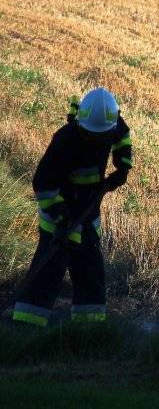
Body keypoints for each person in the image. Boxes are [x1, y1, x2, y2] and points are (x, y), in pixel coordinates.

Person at [12, 87, 132, 326]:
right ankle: (26, 326)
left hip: (87, 213)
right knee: (47, 272)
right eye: (92, 136)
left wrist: (123, 166)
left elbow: (123, 135)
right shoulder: (65, 140)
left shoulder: (109, 125)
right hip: (60, 217)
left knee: (91, 273)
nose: (97, 141)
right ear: (81, 126)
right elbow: (44, 184)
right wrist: (60, 215)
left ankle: (89, 329)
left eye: (102, 137)